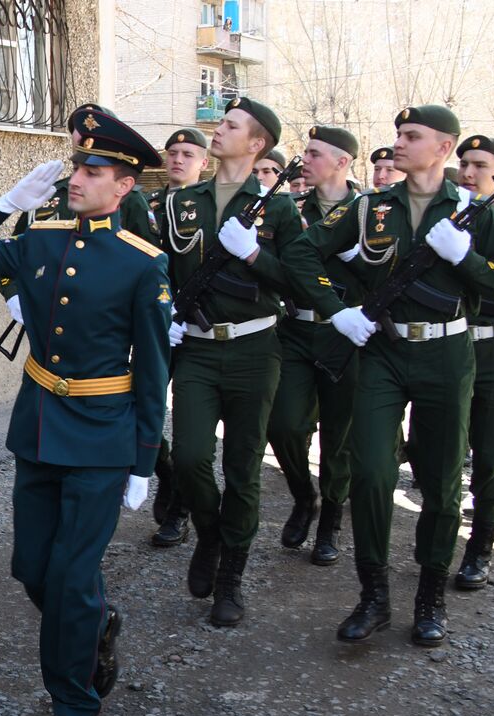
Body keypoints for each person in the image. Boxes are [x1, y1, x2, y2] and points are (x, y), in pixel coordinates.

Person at [0, 107, 171, 716]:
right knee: (32, 567)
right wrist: (6, 202)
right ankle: (96, 623)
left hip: (101, 436)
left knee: (70, 574)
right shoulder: (40, 239)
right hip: (39, 425)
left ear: (124, 186)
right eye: (77, 166)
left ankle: (74, 701)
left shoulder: (141, 264)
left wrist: (144, 461)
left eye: (93, 170)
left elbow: (153, 371)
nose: (78, 177)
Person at [283, 105, 494, 646]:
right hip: (383, 354)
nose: (399, 144)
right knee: (371, 473)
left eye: (412, 136)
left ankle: (430, 594)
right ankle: (374, 596)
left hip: (446, 356)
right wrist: (335, 309)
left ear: (443, 148)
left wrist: (465, 257)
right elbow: (300, 253)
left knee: (439, 483)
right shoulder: (371, 208)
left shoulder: (472, 211)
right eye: (397, 134)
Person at [163, 96, 302, 626]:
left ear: (257, 143)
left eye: (230, 125)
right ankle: (208, 531)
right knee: (192, 456)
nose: (217, 130)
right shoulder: (181, 202)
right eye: (220, 122)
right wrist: (163, 315)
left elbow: (300, 282)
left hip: (254, 350)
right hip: (196, 347)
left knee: (244, 470)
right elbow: (160, 270)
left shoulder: (280, 208)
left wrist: (253, 255)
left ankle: (230, 578)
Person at [267, 126, 363, 567]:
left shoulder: (369, 212)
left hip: (345, 335)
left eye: (315, 153)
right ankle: (304, 496)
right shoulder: (291, 209)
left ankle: (331, 521)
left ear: (342, 162)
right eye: (305, 151)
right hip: (296, 330)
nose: (305, 159)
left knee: (340, 436)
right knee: (284, 424)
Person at [0, 105, 159, 330]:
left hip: (103, 325)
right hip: (46, 322)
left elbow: (149, 263)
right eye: (78, 129)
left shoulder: (129, 199)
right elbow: (15, 254)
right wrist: (14, 294)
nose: (83, 136)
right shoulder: (49, 193)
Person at [452, 136, 494, 589]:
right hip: (453, 344)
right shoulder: (451, 215)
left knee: (493, 458)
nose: (468, 172)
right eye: (464, 163)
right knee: (433, 448)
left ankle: (479, 548)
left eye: (480, 164)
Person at [148, 128, 210, 548]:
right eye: (172, 153)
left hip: (199, 330)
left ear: (204, 162)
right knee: (141, 413)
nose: (177, 159)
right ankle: (164, 471)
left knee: (192, 431)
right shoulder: (147, 205)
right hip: (156, 327)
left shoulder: (213, 207)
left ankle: (180, 510)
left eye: (188, 153)